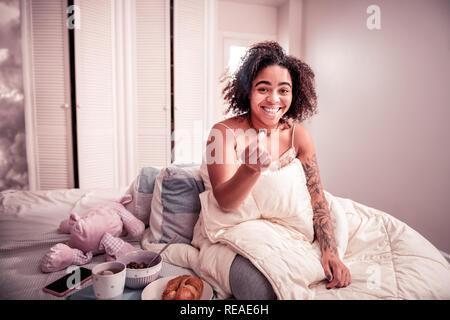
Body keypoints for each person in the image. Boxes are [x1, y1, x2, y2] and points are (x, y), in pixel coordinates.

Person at [205, 41, 351, 299]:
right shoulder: (224, 133)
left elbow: (317, 199)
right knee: (262, 290)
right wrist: (250, 170)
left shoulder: (299, 136)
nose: (273, 99)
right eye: (263, 89)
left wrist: (330, 251)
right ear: (247, 91)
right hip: (238, 232)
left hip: (291, 230)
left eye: (283, 90)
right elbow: (225, 202)